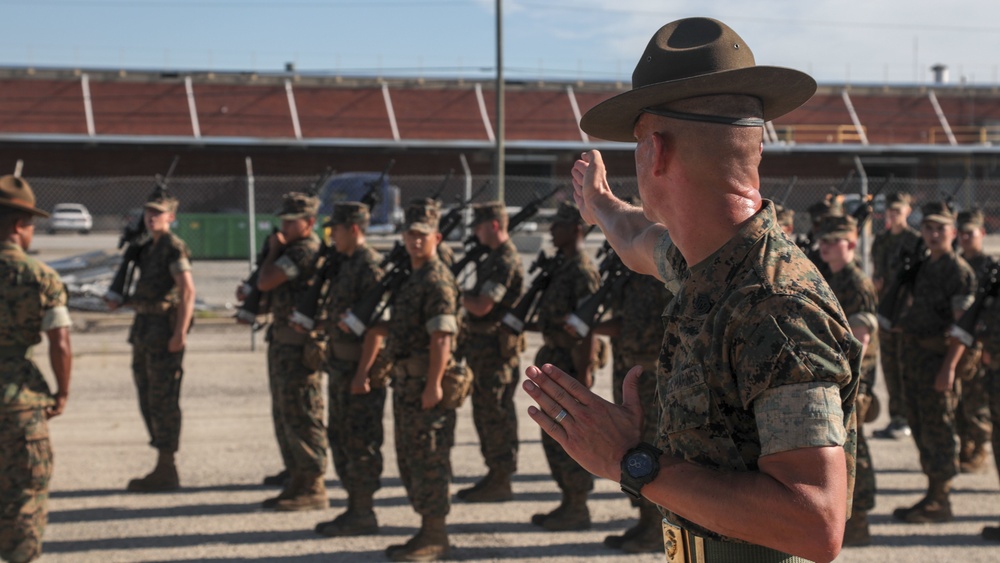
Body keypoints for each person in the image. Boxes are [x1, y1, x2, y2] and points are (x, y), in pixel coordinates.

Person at [521, 17, 861, 562]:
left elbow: (814, 522)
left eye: (634, 145)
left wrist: (632, 460)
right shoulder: (709, 263)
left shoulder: (776, 305)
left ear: (655, 153)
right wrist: (601, 206)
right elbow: (637, 239)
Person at [357, 199, 461, 561]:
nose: (416, 241)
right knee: (411, 458)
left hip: (424, 386)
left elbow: (442, 338)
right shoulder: (412, 278)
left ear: (437, 237)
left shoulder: (436, 280)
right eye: (410, 234)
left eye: (423, 235)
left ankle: (436, 536)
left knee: (430, 458)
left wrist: (433, 383)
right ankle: (425, 530)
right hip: (406, 385)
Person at [0, 176, 72, 563]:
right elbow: (60, 341)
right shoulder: (40, 276)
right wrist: (61, 392)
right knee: (25, 493)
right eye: (30, 225)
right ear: (17, 226)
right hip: (20, 402)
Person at [891, 201, 976, 523]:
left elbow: (962, 329)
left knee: (939, 430)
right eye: (928, 227)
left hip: (937, 361)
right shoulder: (924, 265)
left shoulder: (958, 271)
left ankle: (941, 501)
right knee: (921, 427)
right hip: (915, 360)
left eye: (941, 227)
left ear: (953, 233)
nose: (934, 233)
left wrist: (949, 368)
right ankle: (932, 494)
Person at [107, 186, 195, 492]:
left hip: (162, 331)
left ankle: (167, 466)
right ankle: (161, 462)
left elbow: (187, 291)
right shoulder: (147, 247)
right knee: (147, 396)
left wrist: (179, 333)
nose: (151, 217)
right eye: (148, 212)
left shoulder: (173, 247)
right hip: (144, 329)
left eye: (158, 213)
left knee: (163, 398)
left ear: (171, 216)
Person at [245, 192, 328, 511]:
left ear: (309, 223)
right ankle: (296, 475)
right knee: (285, 412)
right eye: (283, 221)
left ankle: (312, 484)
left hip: (298, 347)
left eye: (291, 222)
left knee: (301, 413)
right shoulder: (293, 249)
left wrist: (273, 252)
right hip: (282, 342)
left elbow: (267, 280)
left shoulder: (303, 251)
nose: (284, 227)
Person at [594, 233, 672, 553]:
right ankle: (644, 520)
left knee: (653, 449)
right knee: (634, 447)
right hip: (628, 372)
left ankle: (657, 529)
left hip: (655, 378)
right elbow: (626, 323)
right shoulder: (627, 277)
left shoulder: (663, 272)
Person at [312, 202, 386, 536]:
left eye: (336, 230)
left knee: (361, 440)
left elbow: (378, 328)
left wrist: (362, 373)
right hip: (341, 367)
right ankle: (354, 508)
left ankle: (363, 511)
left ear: (353, 229)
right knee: (340, 437)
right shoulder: (344, 263)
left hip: (359, 371)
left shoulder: (369, 266)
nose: (332, 236)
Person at [527, 200, 600, 531]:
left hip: (571, 364)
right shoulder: (559, 266)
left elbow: (589, 329)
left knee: (570, 432)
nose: (552, 231)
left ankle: (577, 505)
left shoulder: (582, 271)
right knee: (553, 434)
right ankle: (568, 501)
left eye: (558, 226)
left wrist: (584, 372)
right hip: (554, 359)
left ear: (575, 230)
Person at [455, 202, 525, 503]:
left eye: (479, 226)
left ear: (494, 225)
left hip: (496, 355)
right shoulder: (493, 257)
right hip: (483, 352)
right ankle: (494, 475)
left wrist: (454, 293)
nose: (474, 232)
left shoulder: (505, 260)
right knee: (485, 415)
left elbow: (483, 305)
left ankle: (501, 478)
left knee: (496, 415)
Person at [816, 215, 879, 547]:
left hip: (854, 382)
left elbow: (861, 338)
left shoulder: (856, 283)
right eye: (823, 240)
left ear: (852, 245)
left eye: (834, 241)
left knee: (857, 452)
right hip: (839, 379)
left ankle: (860, 520)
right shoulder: (832, 276)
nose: (826, 246)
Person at [870, 192, 921, 440]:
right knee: (889, 368)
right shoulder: (880, 240)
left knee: (906, 368)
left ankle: (910, 417)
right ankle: (897, 418)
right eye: (891, 211)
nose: (894, 215)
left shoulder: (916, 241)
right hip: (885, 313)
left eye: (898, 211)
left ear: (908, 212)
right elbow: (877, 270)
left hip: (906, 315)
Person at [954, 208, 992, 474]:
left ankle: (980, 448)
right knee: (959, 401)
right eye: (962, 233)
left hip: (979, 345)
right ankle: (966, 444)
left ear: (982, 233)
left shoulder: (989, 268)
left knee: (976, 400)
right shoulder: (956, 265)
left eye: (971, 233)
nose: (966, 238)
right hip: (956, 343)